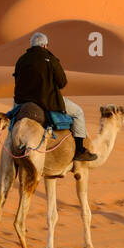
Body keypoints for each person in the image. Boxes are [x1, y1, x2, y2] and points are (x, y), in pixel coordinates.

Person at [12, 32, 98, 162]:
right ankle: (80, 150)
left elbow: (17, 81)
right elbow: (62, 82)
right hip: (46, 100)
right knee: (78, 113)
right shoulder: (50, 59)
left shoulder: (21, 59)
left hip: (22, 102)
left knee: (13, 121)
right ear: (45, 45)